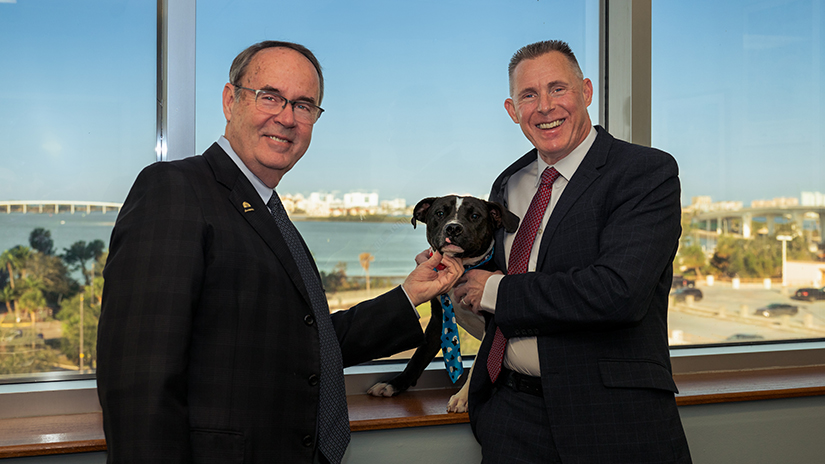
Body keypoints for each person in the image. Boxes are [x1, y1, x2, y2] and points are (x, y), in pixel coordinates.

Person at [96, 40, 462, 464]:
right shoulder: (175, 189)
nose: (287, 117)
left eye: (304, 106)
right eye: (270, 97)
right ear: (230, 100)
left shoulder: (268, 210)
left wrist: (409, 295)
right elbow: (140, 385)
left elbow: (310, 342)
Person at [453, 40, 692, 463]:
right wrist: (457, 276)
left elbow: (619, 292)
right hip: (510, 417)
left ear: (586, 92)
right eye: (529, 95)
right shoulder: (507, 184)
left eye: (557, 89)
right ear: (513, 111)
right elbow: (496, 289)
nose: (545, 106)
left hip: (613, 421)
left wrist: (493, 290)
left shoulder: (645, 172)